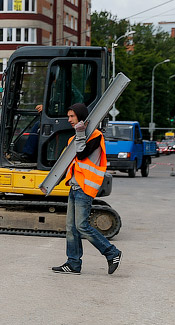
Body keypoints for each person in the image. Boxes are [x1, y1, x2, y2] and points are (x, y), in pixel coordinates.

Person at [52, 103, 122, 275]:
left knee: (81, 226)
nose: (69, 120)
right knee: (71, 228)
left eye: (72, 116)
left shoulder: (96, 136)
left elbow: (82, 155)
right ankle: (73, 263)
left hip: (85, 188)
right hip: (75, 188)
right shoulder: (73, 139)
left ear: (81, 117)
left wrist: (80, 133)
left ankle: (112, 252)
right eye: (68, 116)